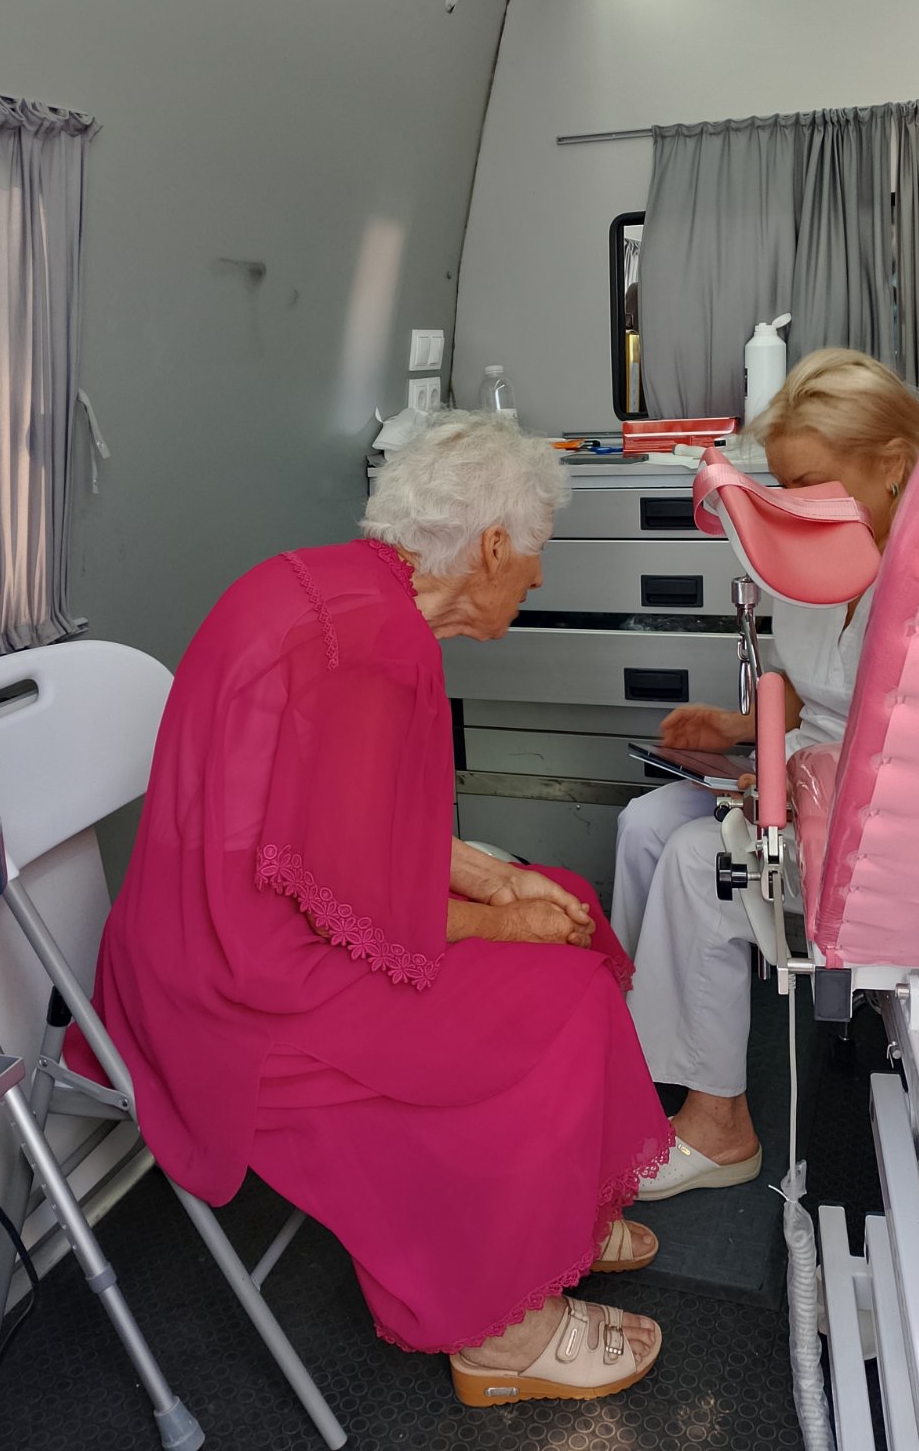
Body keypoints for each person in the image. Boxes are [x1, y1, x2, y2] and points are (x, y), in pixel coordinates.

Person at [67, 413, 671, 1407]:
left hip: (189, 941)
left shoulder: (334, 586)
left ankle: (555, 1218)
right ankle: (501, 1331)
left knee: (560, 900)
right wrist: (500, 918)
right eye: (535, 553)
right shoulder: (381, 647)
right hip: (236, 991)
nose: (538, 574)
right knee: (554, 995)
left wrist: (501, 884)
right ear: (490, 547)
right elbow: (359, 903)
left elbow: (349, 835)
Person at [610, 350, 919, 1200]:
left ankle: (720, 1127)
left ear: (893, 462)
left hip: (875, 807)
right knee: (644, 826)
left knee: (697, 862)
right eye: (781, 485)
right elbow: (816, 688)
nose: (791, 505)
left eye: (807, 482)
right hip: (795, 773)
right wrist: (736, 731)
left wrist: (798, 785)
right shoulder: (821, 552)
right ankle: (640, 1066)